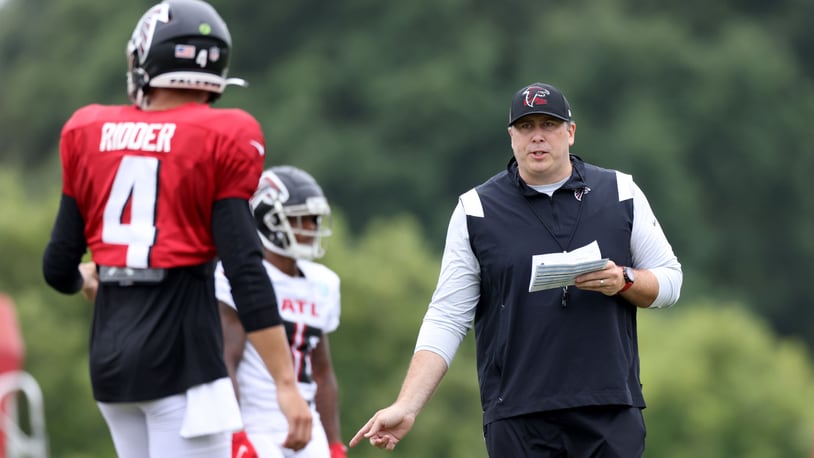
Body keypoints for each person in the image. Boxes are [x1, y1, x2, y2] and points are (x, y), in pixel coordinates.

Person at [349, 82, 683, 457]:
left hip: (608, 409)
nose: (537, 137)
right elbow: (447, 316)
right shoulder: (476, 209)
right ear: (511, 137)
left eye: (549, 125)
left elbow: (670, 281)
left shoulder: (620, 191)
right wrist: (407, 405)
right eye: (526, 127)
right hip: (517, 415)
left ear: (570, 133)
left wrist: (624, 280)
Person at [41, 1, 312, 456]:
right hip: (183, 360)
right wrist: (285, 383)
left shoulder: (88, 130)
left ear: (147, 58)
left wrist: (87, 277)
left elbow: (56, 267)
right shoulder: (222, 134)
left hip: (110, 364)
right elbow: (246, 269)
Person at [215, 166, 347, 458]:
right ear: (268, 220)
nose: (312, 227)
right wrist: (234, 434)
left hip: (308, 422)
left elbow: (322, 374)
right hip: (256, 422)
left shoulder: (323, 282)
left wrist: (334, 443)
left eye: (314, 219)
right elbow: (226, 360)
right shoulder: (239, 276)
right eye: (301, 218)